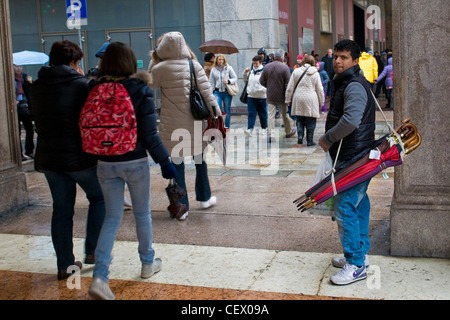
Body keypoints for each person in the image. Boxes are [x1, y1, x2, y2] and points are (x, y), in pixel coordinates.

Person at [88, 42, 177, 300]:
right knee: (142, 213)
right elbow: (149, 133)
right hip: (134, 160)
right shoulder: (139, 88)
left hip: (105, 161)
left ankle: (100, 277)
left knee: (112, 218)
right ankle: (148, 262)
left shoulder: (93, 88)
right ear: (130, 62)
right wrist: (164, 161)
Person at [30, 40, 106, 280]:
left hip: (48, 157)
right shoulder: (82, 85)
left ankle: (64, 264)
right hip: (78, 156)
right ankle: (92, 250)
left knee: (61, 209)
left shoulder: (37, 86)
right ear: (74, 63)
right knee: (99, 197)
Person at [318, 39, 376, 286]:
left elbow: (351, 121)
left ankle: (356, 264)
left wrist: (327, 138)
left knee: (345, 206)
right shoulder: (348, 82)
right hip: (357, 154)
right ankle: (359, 255)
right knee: (359, 205)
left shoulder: (353, 85)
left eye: (344, 57)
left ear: (354, 60)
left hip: (354, 156)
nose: (338, 61)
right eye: (336, 57)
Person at [149, 31, 221, 221]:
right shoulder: (193, 64)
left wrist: (155, 60)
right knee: (200, 160)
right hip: (195, 121)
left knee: (177, 164)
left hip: (171, 125)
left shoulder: (159, 68)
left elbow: (149, 86)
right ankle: (204, 198)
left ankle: (182, 207)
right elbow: (206, 92)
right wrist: (217, 113)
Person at [285, 55, 324, 146]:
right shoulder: (315, 73)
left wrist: (288, 99)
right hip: (311, 98)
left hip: (298, 98)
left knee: (300, 119)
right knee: (311, 119)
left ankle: (300, 137)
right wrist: (321, 102)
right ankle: (310, 141)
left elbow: (290, 87)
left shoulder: (296, 71)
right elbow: (320, 89)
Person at [259, 48, 296, 142]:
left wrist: (269, 87)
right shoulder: (285, 67)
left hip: (271, 95)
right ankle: (288, 132)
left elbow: (261, 81)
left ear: (274, 56)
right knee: (284, 114)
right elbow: (288, 83)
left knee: (271, 116)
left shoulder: (267, 66)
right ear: (282, 57)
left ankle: (271, 135)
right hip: (282, 96)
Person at [209, 53, 237, 129]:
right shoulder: (213, 70)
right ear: (216, 60)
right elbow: (211, 82)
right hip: (217, 92)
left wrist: (228, 81)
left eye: (222, 59)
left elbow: (235, 78)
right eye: (219, 59)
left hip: (226, 92)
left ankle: (226, 126)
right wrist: (210, 93)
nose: (221, 61)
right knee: (216, 109)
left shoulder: (229, 68)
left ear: (224, 60)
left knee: (227, 110)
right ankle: (218, 125)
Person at [242, 55, 268, 137]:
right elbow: (245, 80)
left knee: (262, 113)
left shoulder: (265, 72)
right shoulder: (251, 71)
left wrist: (261, 90)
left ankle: (264, 128)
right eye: (254, 64)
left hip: (262, 97)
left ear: (260, 63)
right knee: (251, 113)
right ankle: (250, 129)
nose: (255, 65)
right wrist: (245, 73)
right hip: (251, 96)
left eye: (256, 64)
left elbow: (267, 84)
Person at [14, 64, 35, 160]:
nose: (19, 68)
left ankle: (29, 151)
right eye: (17, 66)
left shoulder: (25, 77)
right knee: (16, 131)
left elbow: (31, 92)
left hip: (25, 105)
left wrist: (30, 83)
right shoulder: (10, 78)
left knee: (30, 129)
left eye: (20, 66)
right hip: (15, 106)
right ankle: (19, 154)